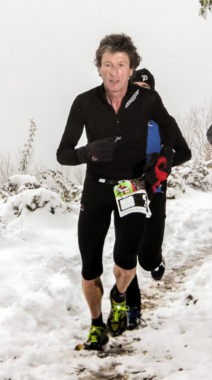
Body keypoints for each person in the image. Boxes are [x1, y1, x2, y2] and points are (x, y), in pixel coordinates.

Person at [56, 33, 178, 350]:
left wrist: (161, 162)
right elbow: (63, 153)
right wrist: (88, 152)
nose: (114, 72)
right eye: (108, 64)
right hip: (96, 188)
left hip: (132, 185)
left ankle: (120, 297)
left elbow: (170, 132)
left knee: (126, 261)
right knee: (90, 266)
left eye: (121, 65)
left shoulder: (148, 100)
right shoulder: (84, 103)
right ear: (99, 68)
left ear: (131, 68)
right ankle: (97, 324)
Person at [125, 68, 192, 330]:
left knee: (146, 258)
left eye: (146, 88)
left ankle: (155, 259)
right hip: (129, 192)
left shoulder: (166, 122)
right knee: (127, 253)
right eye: (137, 87)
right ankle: (132, 309)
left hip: (156, 193)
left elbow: (185, 153)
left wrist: (163, 164)